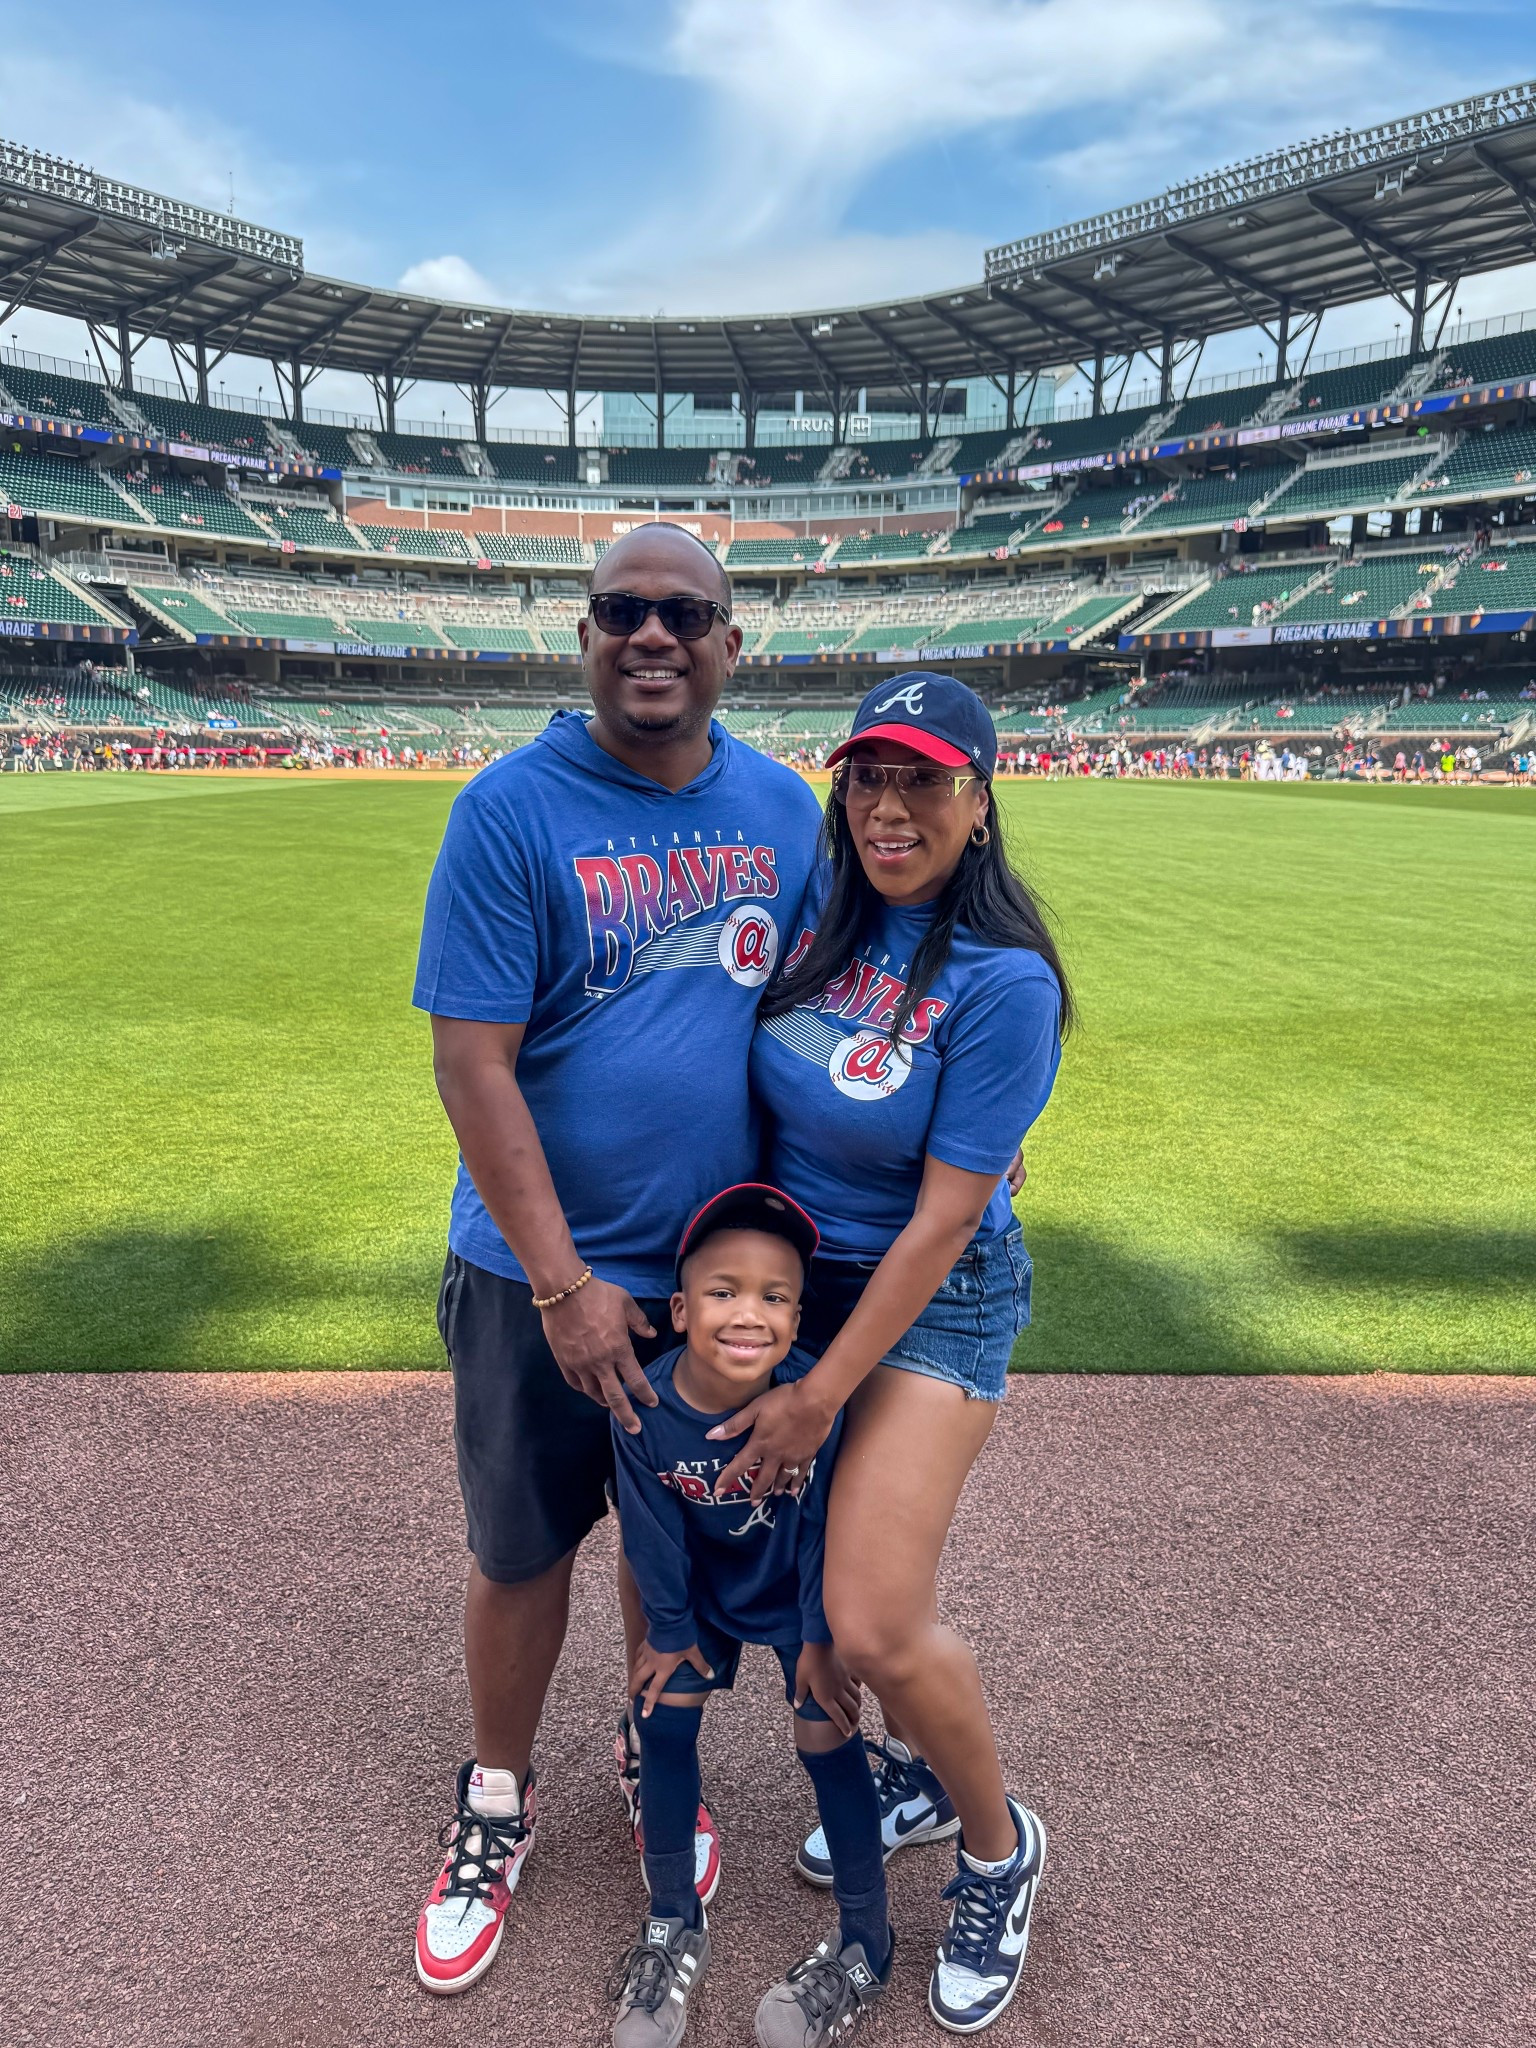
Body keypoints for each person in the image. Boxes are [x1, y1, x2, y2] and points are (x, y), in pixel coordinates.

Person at [409, 524, 824, 1994]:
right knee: (521, 1552)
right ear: (583, 634)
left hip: (709, 1291)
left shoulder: (785, 810)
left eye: (683, 614)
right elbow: (473, 1066)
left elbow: (849, 1007)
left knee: (677, 1553)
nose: (652, 635)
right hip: (536, 1283)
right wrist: (564, 1283)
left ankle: (662, 1773)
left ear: (731, 641)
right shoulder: (509, 812)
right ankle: (496, 1803)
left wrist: (970, 1109)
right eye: (622, 612)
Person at [719, 672, 1069, 2033]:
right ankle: (917, 1778)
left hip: (936, 1295)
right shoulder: (819, 913)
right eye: (868, 775)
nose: (888, 804)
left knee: (870, 1615)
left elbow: (939, 1224)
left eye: (924, 778)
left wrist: (813, 1391)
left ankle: (998, 1847)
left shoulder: (1004, 981)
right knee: (813, 1613)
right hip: (807, 1281)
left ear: (979, 804)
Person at [609, 1184, 891, 2048]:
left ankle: (864, 1943)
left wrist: (817, 1637)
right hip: (702, 1595)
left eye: (774, 1297)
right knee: (660, 1717)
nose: (749, 1315)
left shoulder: (809, 1402)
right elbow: (647, 1528)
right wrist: (668, 1629)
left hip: (792, 1592)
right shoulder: (645, 1405)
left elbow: (821, 1528)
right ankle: (671, 1921)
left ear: (799, 1314)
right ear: (681, 1307)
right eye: (725, 1292)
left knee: (826, 1733)